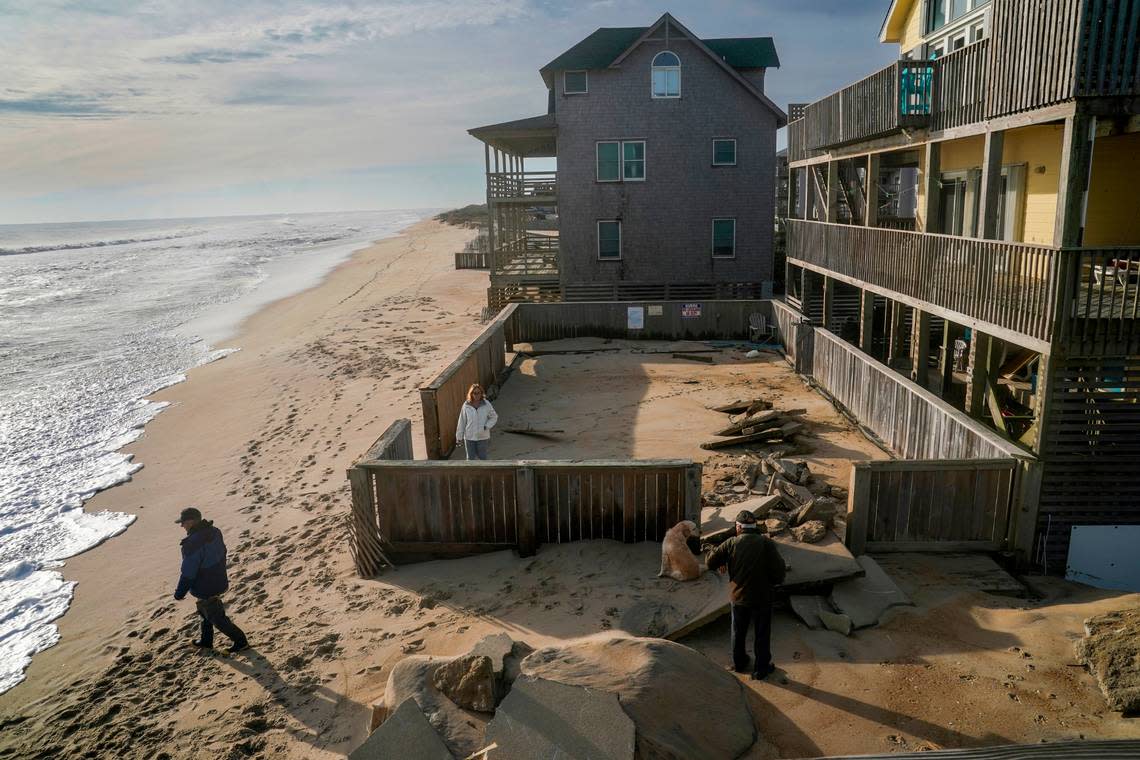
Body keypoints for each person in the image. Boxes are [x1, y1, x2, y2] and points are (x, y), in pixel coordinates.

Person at [705, 510, 786, 680]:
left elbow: (710, 563)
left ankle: (740, 663)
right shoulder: (766, 543)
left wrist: (724, 559)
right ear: (754, 526)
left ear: (739, 527)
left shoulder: (731, 543)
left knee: (738, 632)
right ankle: (761, 669)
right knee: (762, 633)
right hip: (763, 597)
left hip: (739, 597)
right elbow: (779, 573)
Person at [174, 507, 248, 654]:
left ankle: (241, 641)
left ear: (191, 521)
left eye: (183, 523)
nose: (182, 526)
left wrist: (179, 592)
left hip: (205, 585)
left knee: (216, 617)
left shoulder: (192, 544)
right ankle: (206, 641)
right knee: (204, 611)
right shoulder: (214, 531)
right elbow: (222, 552)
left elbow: (188, 572)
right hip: (219, 578)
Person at [455, 383, 498, 461]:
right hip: (469, 437)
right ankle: (471, 473)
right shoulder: (466, 405)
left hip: (482, 436)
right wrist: (459, 437)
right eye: (475, 393)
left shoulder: (486, 404)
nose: (477, 395)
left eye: (479, 393)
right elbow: (462, 421)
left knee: (483, 458)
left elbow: (494, 417)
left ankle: (484, 473)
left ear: (481, 393)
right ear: (471, 394)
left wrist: (486, 426)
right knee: (470, 459)